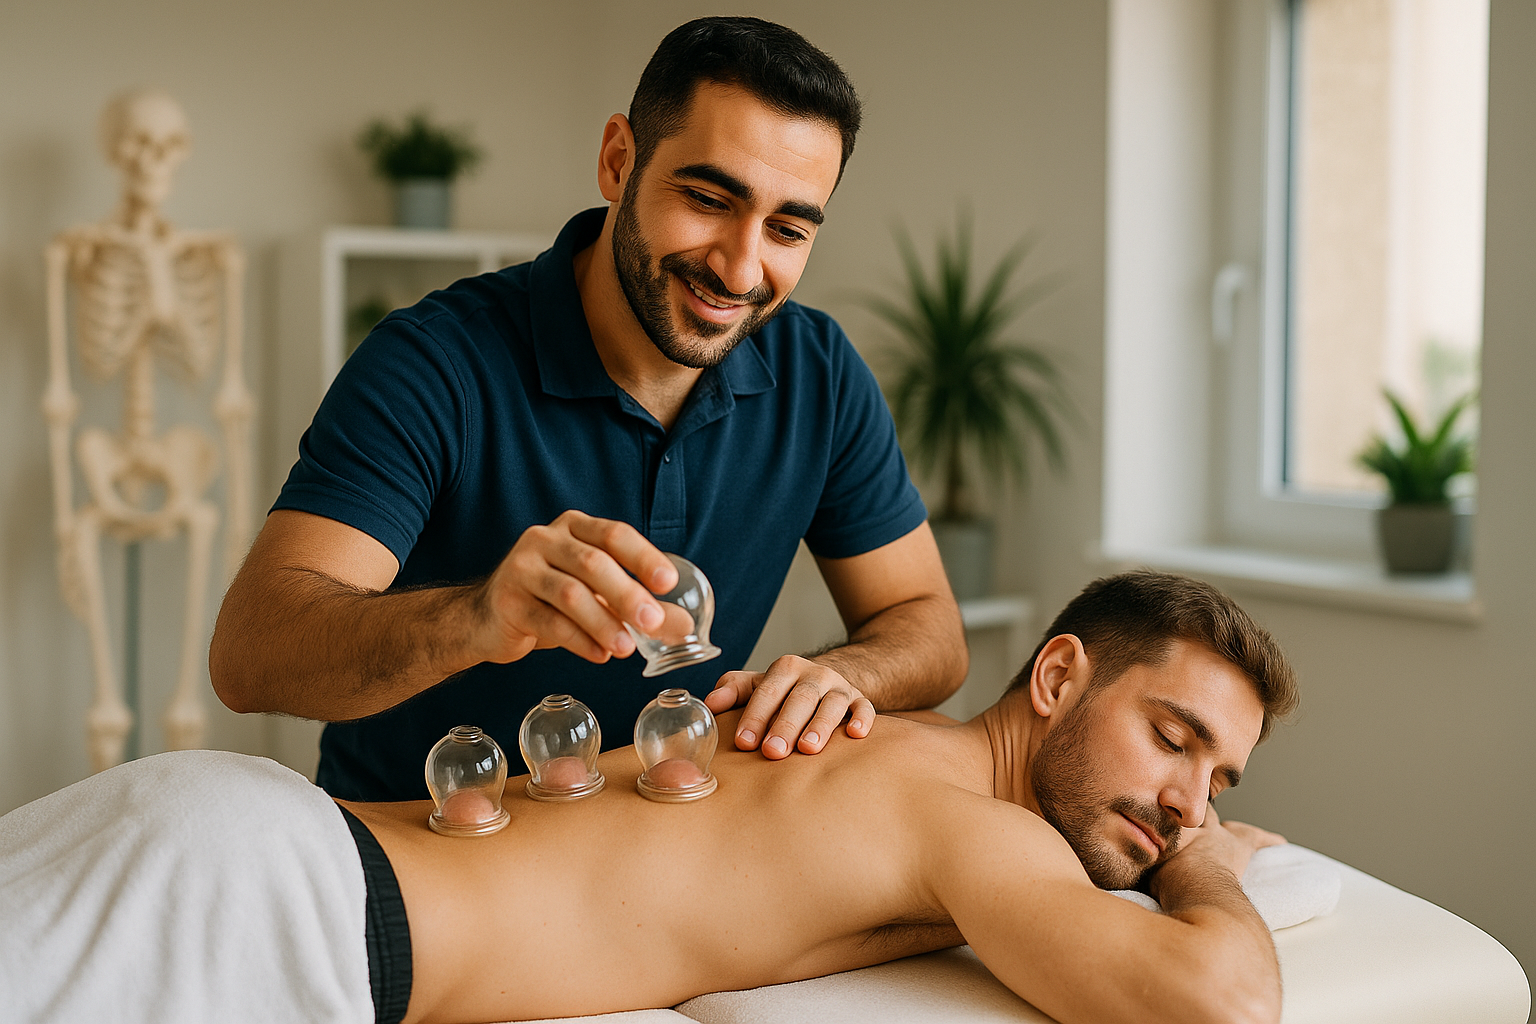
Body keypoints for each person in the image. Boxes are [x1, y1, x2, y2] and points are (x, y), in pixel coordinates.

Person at [210, 15, 968, 802]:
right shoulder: (434, 362)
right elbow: (251, 652)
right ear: (618, 161)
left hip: (653, 851)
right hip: (416, 847)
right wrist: (475, 617)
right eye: (709, 198)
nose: (741, 267)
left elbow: (929, 626)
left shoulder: (819, 370)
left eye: (786, 228)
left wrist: (840, 674)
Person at [7, 572, 1298, 1024]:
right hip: (274, 907)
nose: (1186, 800)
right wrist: (1211, 872)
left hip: (243, 850)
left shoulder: (879, 742)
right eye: (1173, 739)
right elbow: (1219, 1006)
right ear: (1061, 676)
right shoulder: (967, 821)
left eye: (1219, 782)